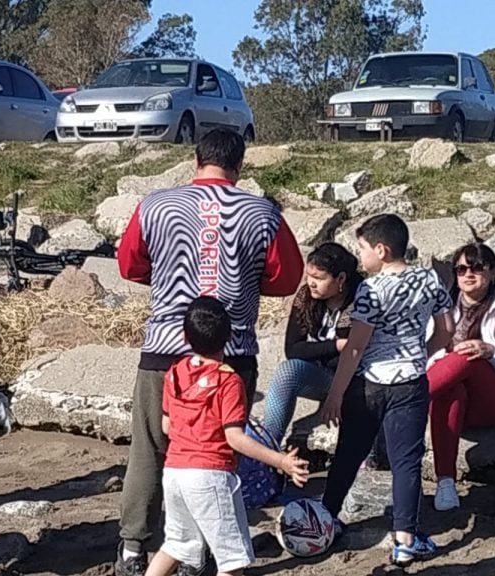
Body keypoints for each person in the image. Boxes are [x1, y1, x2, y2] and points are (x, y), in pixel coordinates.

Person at [115, 128, 304, 575]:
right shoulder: (264, 214)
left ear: (195, 160)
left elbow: (128, 265)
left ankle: (132, 547)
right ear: (240, 165)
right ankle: (198, 550)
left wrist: (165, 279)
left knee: (149, 449)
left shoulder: (155, 205)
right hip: (231, 354)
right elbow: (285, 280)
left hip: (164, 350)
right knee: (216, 454)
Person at [319, 214, 455, 567]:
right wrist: (419, 354)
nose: (359, 255)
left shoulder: (371, 290)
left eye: (362, 249)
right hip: (411, 382)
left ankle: (325, 518)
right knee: (406, 462)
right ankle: (405, 540)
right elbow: (446, 331)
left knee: (350, 452)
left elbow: (355, 348)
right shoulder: (430, 279)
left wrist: (335, 393)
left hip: (371, 383)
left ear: (381, 250)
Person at [146, 296, 309, 576]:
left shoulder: (175, 372)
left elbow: (166, 426)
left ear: (185, 337)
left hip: (174, 472)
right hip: (210, 475)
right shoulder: (228, 380)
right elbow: (235, 437)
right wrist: (280, 461)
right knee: (232, 560)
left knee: (176, 545)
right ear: (229, 336)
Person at [428, 243, 495, 511]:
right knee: (450, 391)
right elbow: (425, 353)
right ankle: (445, 484)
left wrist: (491, 351)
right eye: (461, 268)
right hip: (451, 394)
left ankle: (406, 399)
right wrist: (442, 360)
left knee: (469, 354)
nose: (468, 274)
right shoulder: (441, 307)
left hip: (493, 399)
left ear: (492, 272)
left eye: (476, 267)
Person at [262, 242, 363, 444]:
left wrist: (327, 351)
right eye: (309, 276)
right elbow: (293, 349)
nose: (311, 283)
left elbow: (352, 355)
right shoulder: (306, 297)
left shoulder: (360, 300)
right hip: (321, 376)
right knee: (288, 372)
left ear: (340, 279)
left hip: (355, 381)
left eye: (319, 278)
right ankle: (268, 444)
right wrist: (335, 346)